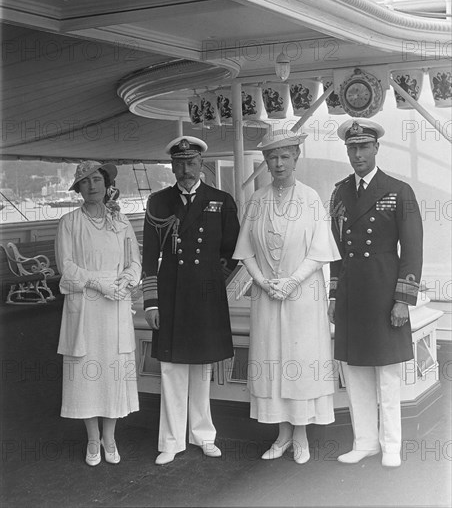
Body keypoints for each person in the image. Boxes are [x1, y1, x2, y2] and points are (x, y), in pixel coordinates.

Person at [233, 129, 341, 464]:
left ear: (296, 158)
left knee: (301, 361)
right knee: (273, 361)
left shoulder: (310, 198)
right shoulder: (257, 200)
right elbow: (246, 251)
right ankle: (281, 435)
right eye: (272, 158)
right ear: (265, 162)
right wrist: (263, 282)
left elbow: (320, 252)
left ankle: (301, 435)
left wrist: (292, 281)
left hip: (303, 295)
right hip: (267, 296)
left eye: (284, 157)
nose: (278, 163)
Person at [328, 119, 423, 468]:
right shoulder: (339, 193)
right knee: (355, 371)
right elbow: (336, 252)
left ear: (376, 148)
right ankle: (365, 441)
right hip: (352, 295)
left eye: (363, 146)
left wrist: (403, 299)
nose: (357, 154)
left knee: (386, 374)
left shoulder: (398, 190)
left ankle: (392, 445)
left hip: (385, 294)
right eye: (352, 148)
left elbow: (413, 249)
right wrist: (333, 296)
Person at [142, 136, 240, 465]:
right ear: (172, 166)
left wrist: (213, 282)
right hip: (170, 296)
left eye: (192, 163)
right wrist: (151, 302)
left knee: (202, 368)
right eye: (180, 164)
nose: (185, 170)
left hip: (206, 297)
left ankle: (203, 435)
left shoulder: (221, 200)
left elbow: (233, 252)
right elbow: (150, 257)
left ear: (202, 165)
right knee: (171, 369)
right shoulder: (158, 202)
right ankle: (170, 441)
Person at [55, 161, 141, 466]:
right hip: (86, 309)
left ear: (106, 185)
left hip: (115, 307)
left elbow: (134, 261)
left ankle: (110, 437)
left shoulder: (121, 221)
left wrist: (127, 281)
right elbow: (66, 267)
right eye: (85, 181)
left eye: (97, 180)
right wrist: (98, 283)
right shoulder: (69, 223)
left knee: (112, 370)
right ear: (78, 189)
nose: (92, 186)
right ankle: (92, 439)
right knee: (86, 372)